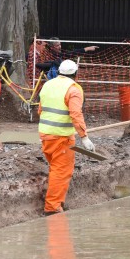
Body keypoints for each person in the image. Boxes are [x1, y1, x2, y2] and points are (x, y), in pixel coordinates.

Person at [38, 60, 94, 215]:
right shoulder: (73, 89)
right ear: (76, 74)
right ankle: (52, 207)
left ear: (59, 71)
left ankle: (55, 200)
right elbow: (76, 114)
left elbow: (41, 109)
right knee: (61, 171)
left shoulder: (48, 84)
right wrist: (84, 137)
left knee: (55, 168)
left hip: (45, 134)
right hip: (61, 137)